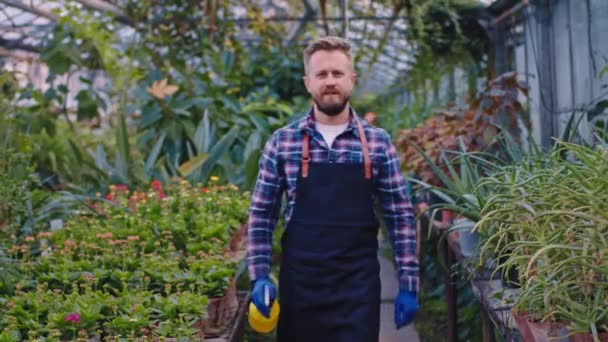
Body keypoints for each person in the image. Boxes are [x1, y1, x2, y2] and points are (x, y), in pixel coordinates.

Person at [246, 36, 419, 342]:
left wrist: (408, 283)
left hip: (358, 288)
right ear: (307, 82)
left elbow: (401, 216)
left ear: (351, 80)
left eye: (337, 74)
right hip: (301, 287)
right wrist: (259, 275)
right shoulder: (282, 142)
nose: (330, 81)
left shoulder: (378, 143)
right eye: (321, 74)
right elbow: (262, 213)